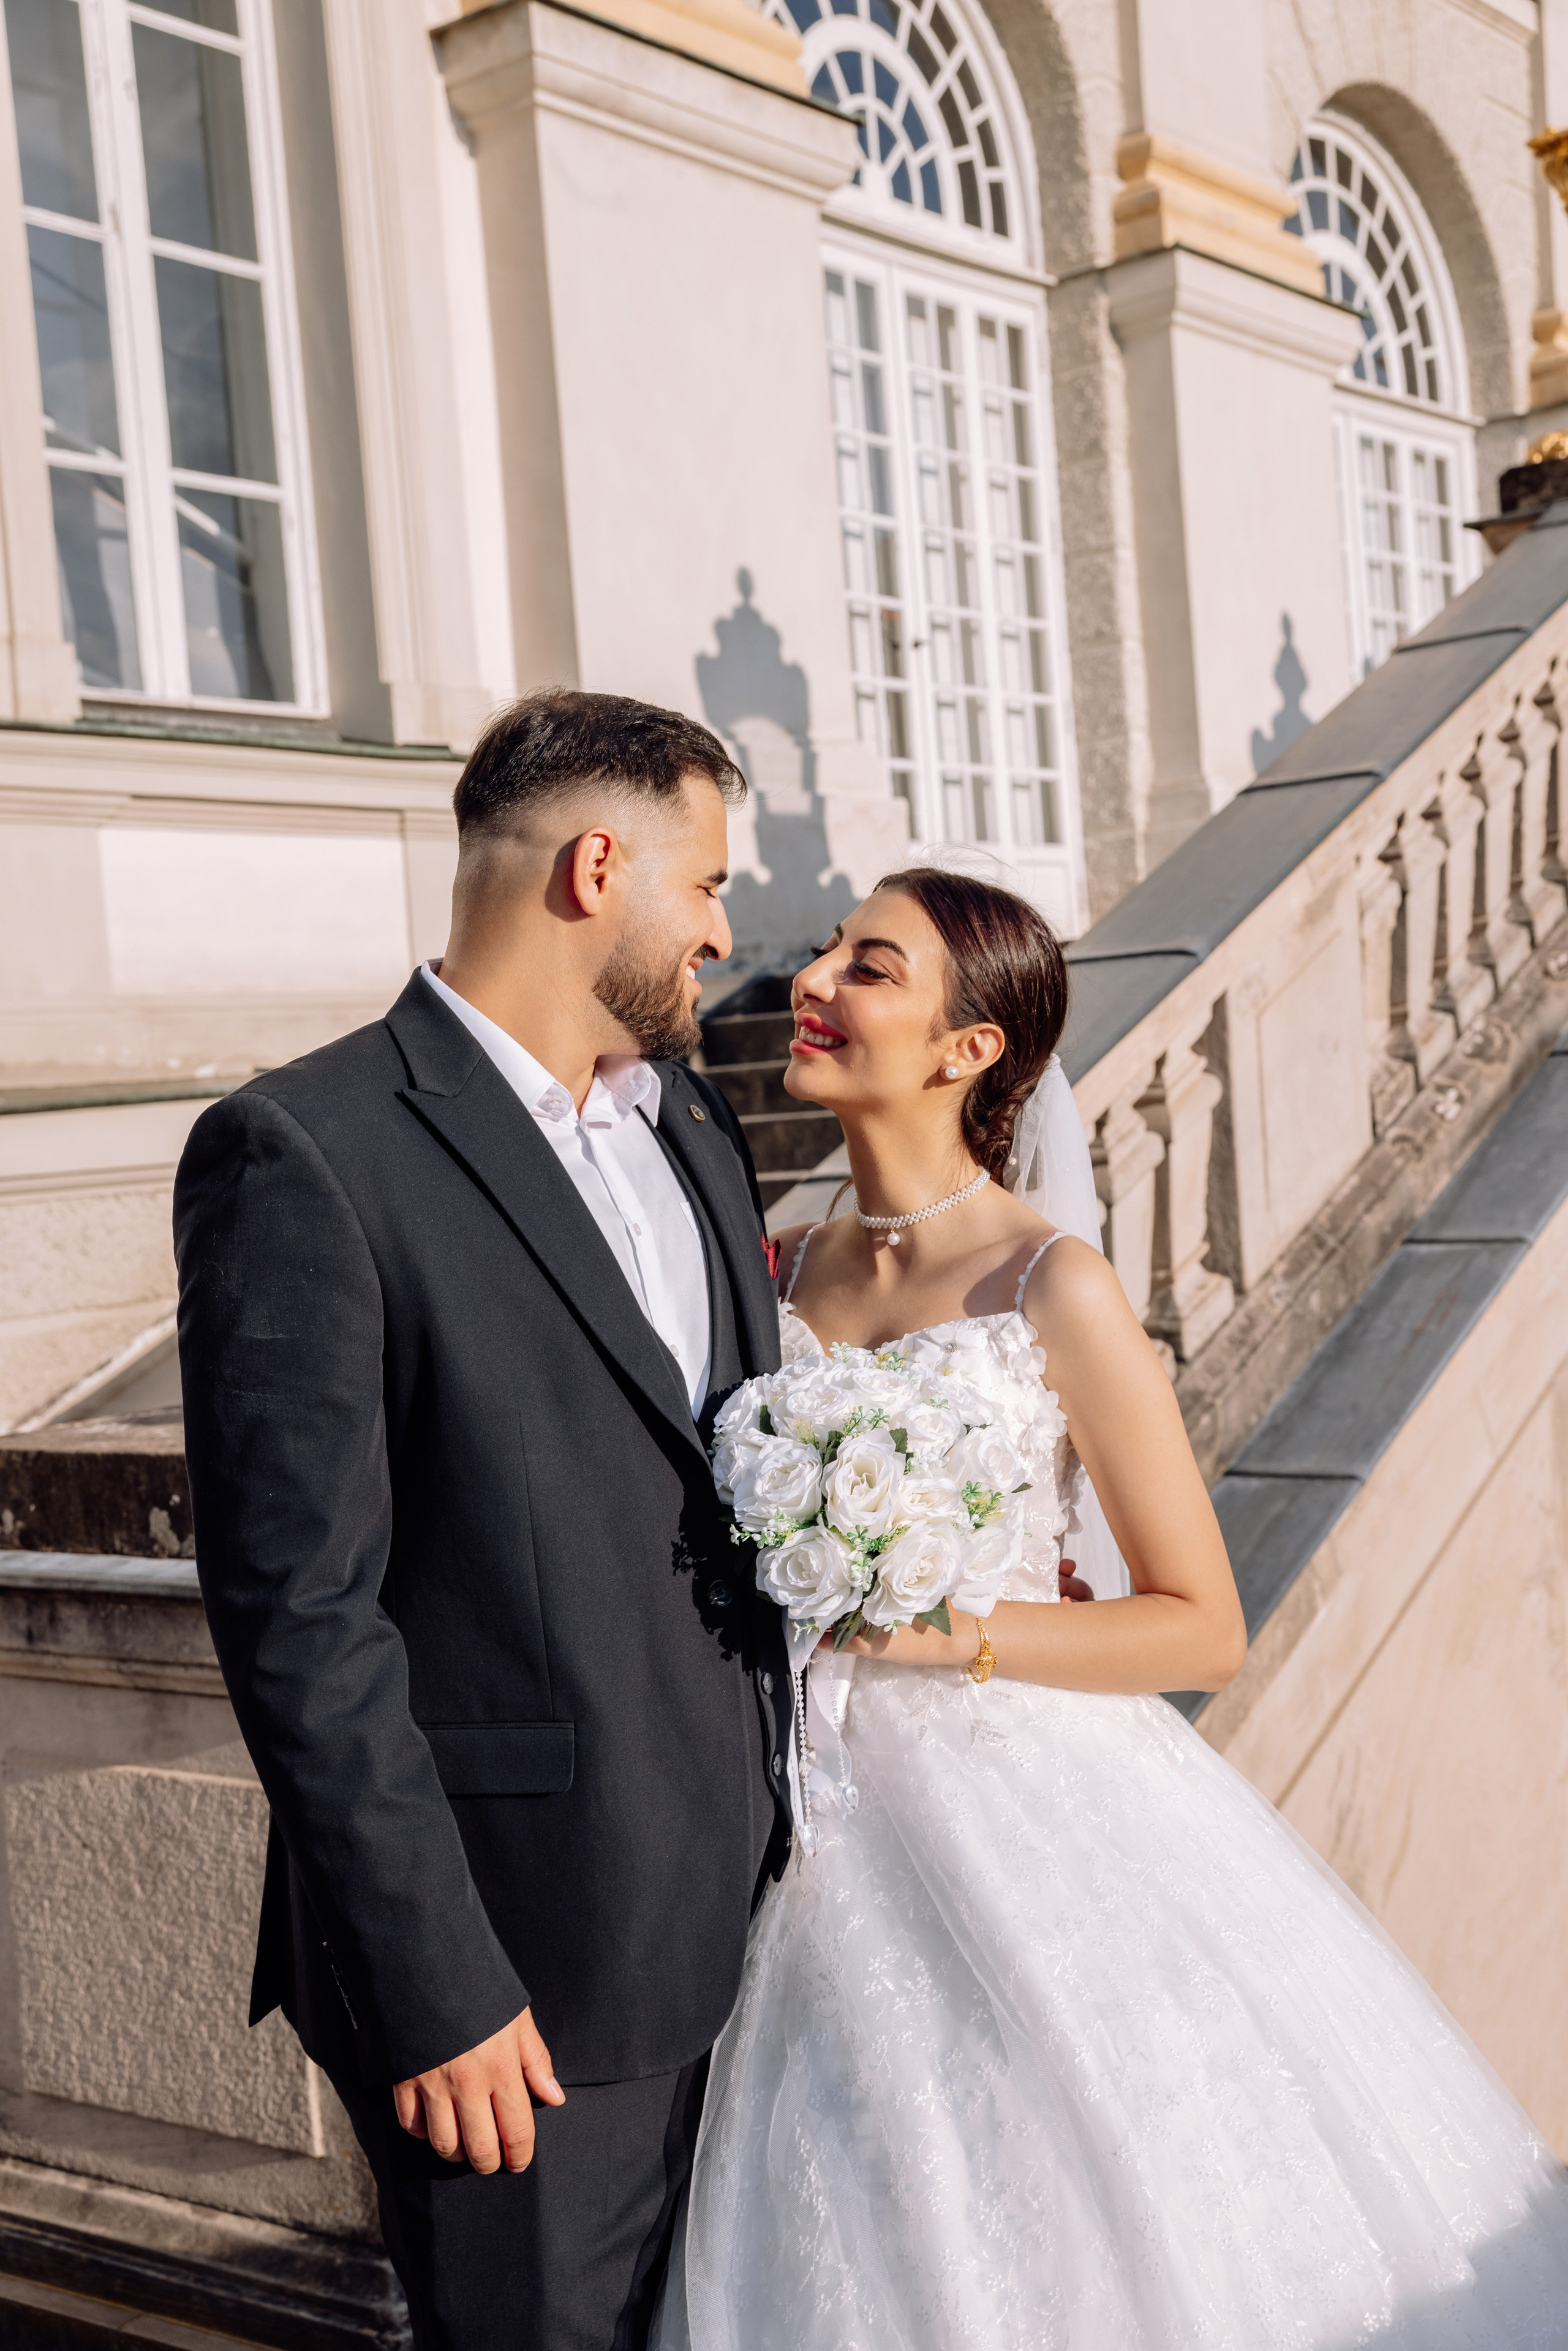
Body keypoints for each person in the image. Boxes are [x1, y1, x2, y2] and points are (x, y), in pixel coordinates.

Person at [655, 867, 1568, 2350]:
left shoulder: (1048, 1281)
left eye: (866, 964)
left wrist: (957, 1634)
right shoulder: (778, 1264)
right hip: (800, 1823)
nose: (811, 977)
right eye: (829, 949)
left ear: (966, 1047)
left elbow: (1199, 1623)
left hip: (1016, 1800)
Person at [173, 690, 797, 2351]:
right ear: (601, 866)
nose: (727, 931)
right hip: (526, 1980)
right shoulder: (307, 1148)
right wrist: (439, 1982)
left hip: (767, 1930)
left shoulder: (702, 1128)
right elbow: (302, 1615)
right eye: (707, 885)